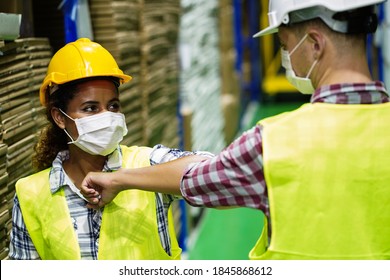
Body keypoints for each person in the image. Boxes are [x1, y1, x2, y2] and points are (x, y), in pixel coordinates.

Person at [81, 0, 390, 260]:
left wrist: (118, 179)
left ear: (314, 44)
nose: (288, 58)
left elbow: (196, 179)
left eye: (285, 45)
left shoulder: (273, 142)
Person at [8, 38, 212, 260]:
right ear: (59, 117)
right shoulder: (31, 195)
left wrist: (121, 180)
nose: (107, 117)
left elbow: (212, 173)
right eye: (90, 108)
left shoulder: (146, 163)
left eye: (113, 106)